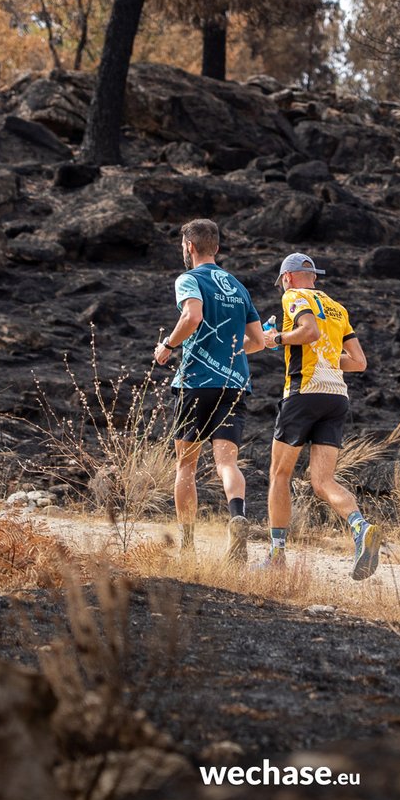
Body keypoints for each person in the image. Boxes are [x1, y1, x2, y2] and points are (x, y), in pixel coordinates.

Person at [152, 219, 267, 562]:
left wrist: (169, 346)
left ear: (189, 246)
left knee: (186, 466)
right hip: (234, 383)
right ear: (216, 247)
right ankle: (237, 517)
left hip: (196, 383)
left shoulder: (188, 279)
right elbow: (259, 342)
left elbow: (192, 316)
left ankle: (187, 545)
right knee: (226, 463)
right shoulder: (238, 287)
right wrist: (229, 354)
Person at [261, 253, 379, 579]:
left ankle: (277, 555)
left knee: (280, 474)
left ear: (287, 277)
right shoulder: (338, 307)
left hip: (303, 394)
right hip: (336, 397)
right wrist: (326, 358)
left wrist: (278, 339)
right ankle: (360, 527)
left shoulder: (293, 296)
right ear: (314, 275)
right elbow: (358, 362)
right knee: (323, 481)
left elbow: (309, 332)